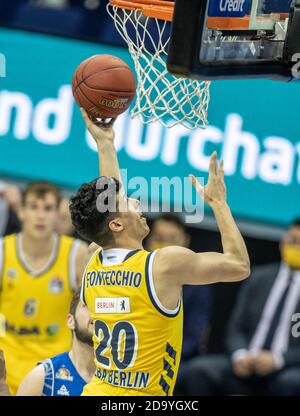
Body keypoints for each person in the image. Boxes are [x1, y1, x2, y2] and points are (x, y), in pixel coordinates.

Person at [69, 108, 250, 396]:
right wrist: (219, 204)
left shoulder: (94, 259)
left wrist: (105, 144)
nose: (136, 203)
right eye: (128, 201)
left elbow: (108, 208)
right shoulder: (162, 264)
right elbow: (239, 265)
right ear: (116, 224)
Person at [183, 218, 300, 396]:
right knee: (198, 370)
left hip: (285, 370)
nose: (296, 247)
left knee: (291, 382)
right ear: (283, 242)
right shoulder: (258, 278)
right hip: (246, 364)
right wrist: (240, 354)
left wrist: (278, 359)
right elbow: (235, 328)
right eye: (293, 241)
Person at [0, 181, 89, 395]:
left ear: (58, 214)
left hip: (57, 372)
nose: (40, 215)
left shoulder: (77, 255)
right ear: (21, 211)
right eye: (34, 207)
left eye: (48, 208)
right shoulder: (3, 251)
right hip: (6, 363)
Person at [146, 214, 211, 394]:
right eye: (159, 239)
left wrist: (160, 355)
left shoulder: (198, 283)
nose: (164, 246)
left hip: (175, 358)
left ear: (185, 242)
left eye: (171, 241)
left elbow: (194, 337)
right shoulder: (134, 271)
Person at [17, 291, 95, 396]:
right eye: (88, 305)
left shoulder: (119, 377)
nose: (96, 312)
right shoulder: (43, 377)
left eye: (100, 306)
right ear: (70, 321)